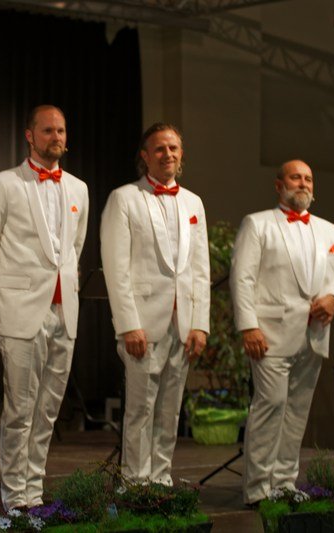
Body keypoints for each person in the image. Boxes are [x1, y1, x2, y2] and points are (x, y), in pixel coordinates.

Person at [0, 105, 88, 511]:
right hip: (20, 311)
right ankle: (14, 497)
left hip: (63, 311)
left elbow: (73, 250)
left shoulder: (78, 188)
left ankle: (34, 491)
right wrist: (2, 299)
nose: (56, 137)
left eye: (61, 130)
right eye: (48, 130)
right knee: (20, 409)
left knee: (49, 410)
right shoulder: (4, 184)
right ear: (30, 135)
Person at [230, 160, 334, 505]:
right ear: (279, 185)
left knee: (297, 412)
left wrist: (333, 298)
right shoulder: (258, 224)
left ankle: (284, 482)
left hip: (314, 333)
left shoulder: (329, 230)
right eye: (296, 177)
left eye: (308, 178)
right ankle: (257, 488)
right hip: (269, 334)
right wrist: (249, 326)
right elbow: (242, 278)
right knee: (270, 405)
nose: (303, 183)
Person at [100, 123, 210, 485]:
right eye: (160, 149)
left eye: (173, 148)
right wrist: (128, 324)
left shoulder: (193, 202)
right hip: (143, 324)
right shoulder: (124, 198)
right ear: (145, 156)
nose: (168, 154)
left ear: (182, 154)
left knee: (170, 411)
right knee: (140, 410)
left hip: (182, 323)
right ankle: (135, 484)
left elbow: (200, 268)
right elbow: (116, 268)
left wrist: (200, 324)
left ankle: (161, 481)